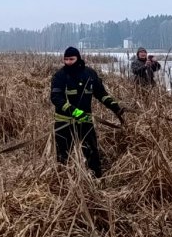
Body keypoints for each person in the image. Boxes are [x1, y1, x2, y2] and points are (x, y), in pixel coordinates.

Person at [50, 47, 125, 178]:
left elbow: (101, 94)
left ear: (78, 58)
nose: (68, 62)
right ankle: (62, 182)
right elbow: (56, 98)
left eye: (71, 59)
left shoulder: (90, 74)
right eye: (66, 59)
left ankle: (96, 180)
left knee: (91, 152)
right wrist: (74, 112)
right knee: (63, 156)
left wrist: (115, 107)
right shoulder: (59, 76)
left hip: (85, 120)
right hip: (64, 123)